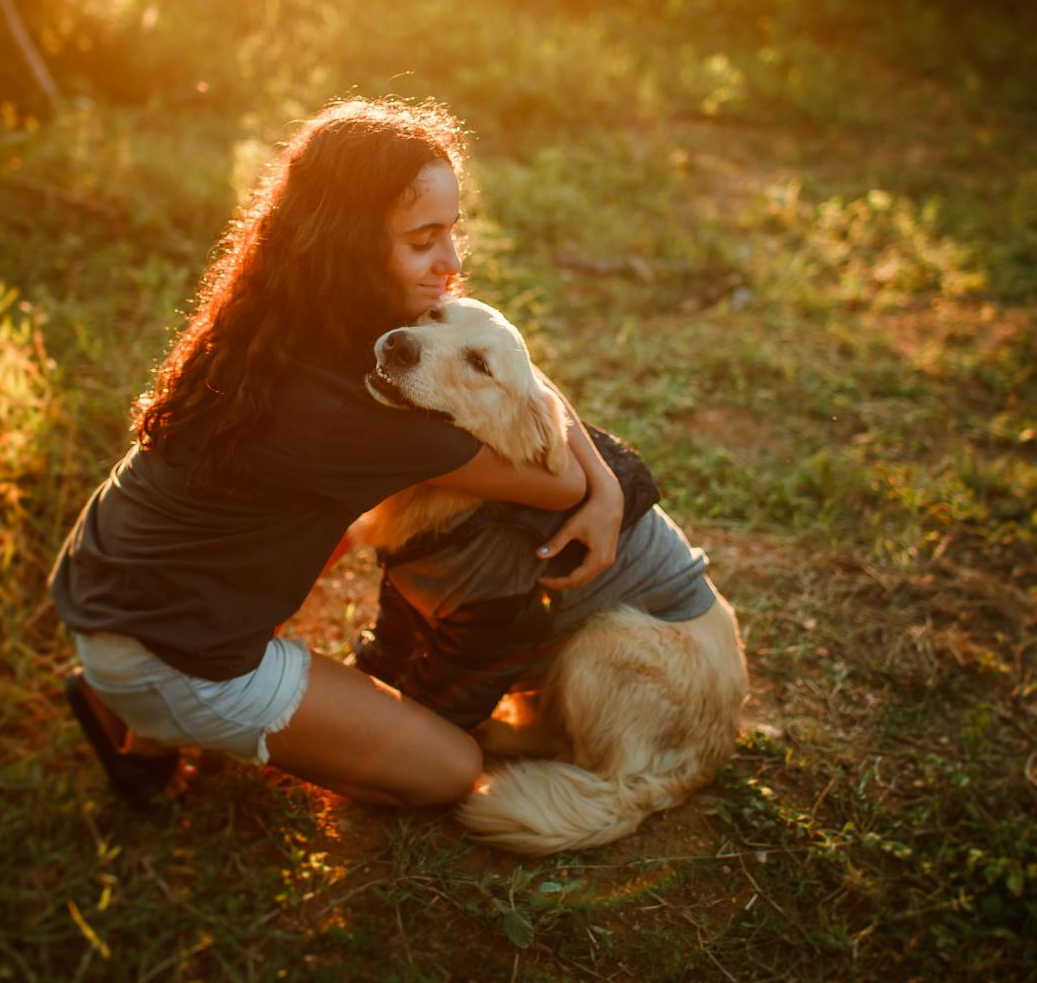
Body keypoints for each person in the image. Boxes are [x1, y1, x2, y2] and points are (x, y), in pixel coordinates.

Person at [49, 99, 623, 810]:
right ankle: (147, 712)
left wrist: (608, 482)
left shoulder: (285, 312)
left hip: (107, 578)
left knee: (325, 528)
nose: (450, 264)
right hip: (173, 651)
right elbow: (558, 480)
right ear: (351, 245)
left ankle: (133, 712)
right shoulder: (363, 411)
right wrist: (607, 489)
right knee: (451, 769)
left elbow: (503, 363)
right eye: (423, 241)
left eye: (452, 233)